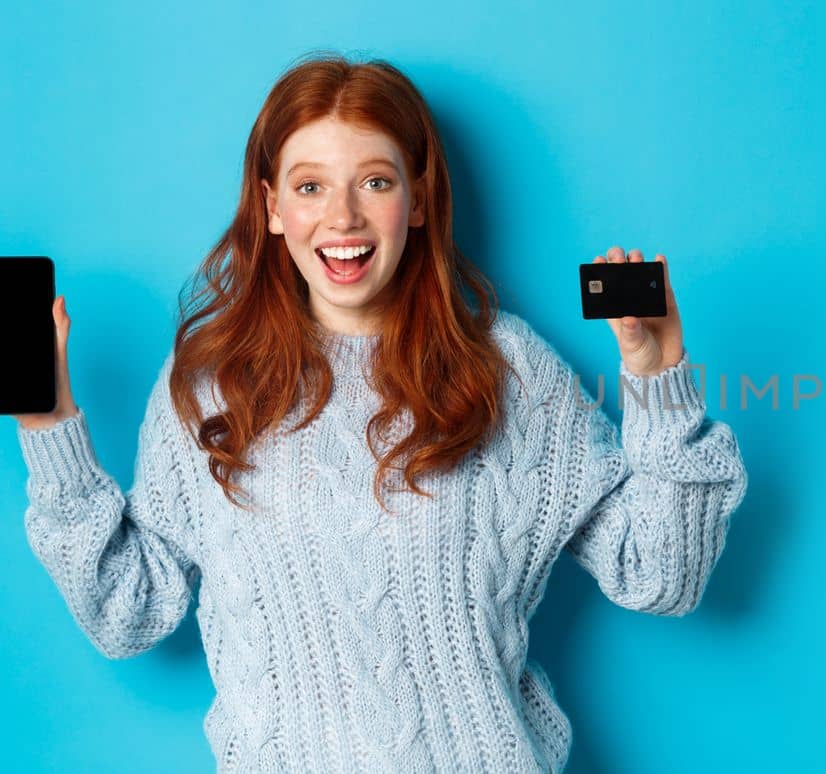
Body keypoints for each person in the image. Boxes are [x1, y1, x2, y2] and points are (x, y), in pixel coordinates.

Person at [12, 53, 748, 773]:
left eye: (374, 180)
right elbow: (125, 611)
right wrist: (47, 425)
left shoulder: (509, 370)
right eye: (310, 186)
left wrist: (657, 380)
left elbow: (662, 574)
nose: (343, 217)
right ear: (271, 207)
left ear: (418, 200)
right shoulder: (211, 383)